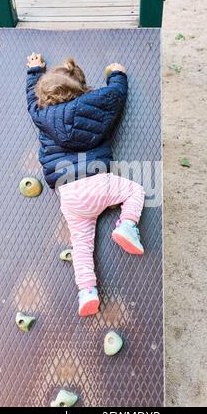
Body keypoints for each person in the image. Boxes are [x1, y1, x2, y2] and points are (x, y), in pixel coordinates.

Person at [26, 53, 145, 317]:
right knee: (135, 191)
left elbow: (30, 102)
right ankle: (127, 225)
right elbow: (116, 95)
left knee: (81, 246)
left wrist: (34, 72)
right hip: (98, 181)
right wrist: (117, 73)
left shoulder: (42, 114)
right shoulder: (95, 103)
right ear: (81, 89)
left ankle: (87, 291)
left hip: (68, 192)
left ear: (44, 97)